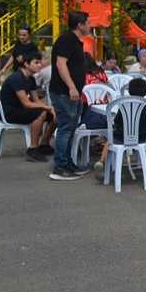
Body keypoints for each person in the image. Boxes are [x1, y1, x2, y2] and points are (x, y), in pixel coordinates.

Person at [49, 11, 91, 181]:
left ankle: (68, 163)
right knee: (65, 128)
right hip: (63, 92)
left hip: (73, 94)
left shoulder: (75, 42)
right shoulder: (66, 40)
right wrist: (72, 87)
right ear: (80, 25)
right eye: (88, 23)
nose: (90, 26)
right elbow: (61, 64)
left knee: (71, 128)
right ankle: (59, 166)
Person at [93, 77, 146, 174]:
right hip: (141, 137)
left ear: (130, 91)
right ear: (145, 92)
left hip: (122, 137)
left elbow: (117, 121)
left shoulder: (124, 105)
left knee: (108, 142)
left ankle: (101, 161)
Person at [0, 51, 56, 161]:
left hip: (21, 109)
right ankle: (32, 149)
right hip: (10, 112)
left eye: (40, 62)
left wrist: (51, 108)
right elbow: (27, 103)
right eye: (36, 63)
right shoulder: (17, 78)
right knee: (41, 112)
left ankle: (44, 144)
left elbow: (36, 100)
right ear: (26, 64)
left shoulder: (30, 78)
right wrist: (47, 107)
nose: (40, 65)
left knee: (56, 114)